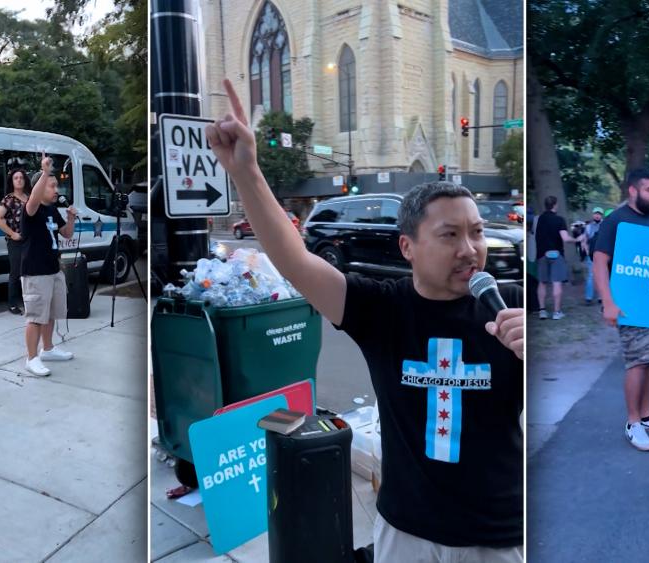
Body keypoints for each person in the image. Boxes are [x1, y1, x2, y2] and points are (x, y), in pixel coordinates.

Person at [206, 79, 524, 562]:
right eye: (450, 234)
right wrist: (247, 173)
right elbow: (296, 262)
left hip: (496, 536)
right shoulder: (383, 309)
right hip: (406, 531)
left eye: (477, 233)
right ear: (407, 247)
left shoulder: (510, 307)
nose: (470, 249)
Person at [591, 169, 649, 452]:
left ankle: (648, 415)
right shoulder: (615, 220)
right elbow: (599, 262)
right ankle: (633, 423)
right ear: (633, 190)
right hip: (629, 305)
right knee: (637, 361)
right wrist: (607, 301)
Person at [21, 156, 77, 377]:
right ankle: (31, 358)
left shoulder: (52, 211)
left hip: (53, 268)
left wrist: (70, 218)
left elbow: (66, 234)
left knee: (51, 313)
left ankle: (48, 349)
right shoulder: (31, 209)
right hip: (35, 271)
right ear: (40, 186)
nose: (56, 189)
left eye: (56, 185)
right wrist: (45, 173)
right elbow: (33, 199)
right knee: (35, 316)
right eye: (51, 185)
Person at [534, 195, 583, 320]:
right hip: (556, 254)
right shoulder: (559, 220)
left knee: (542, 283)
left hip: (541, 254)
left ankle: (542, 311)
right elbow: (565, 238)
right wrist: (577, 239)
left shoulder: (539, 219)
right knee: (557, 283)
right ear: (555, 205)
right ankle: (557, 312)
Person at [0, 169, 30, 315]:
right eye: (16, 178)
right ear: (12, 181)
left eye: (21, 177)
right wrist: (13, 234)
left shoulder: (29, 198)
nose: (19, 180)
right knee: (16, 272)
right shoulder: (9, 199)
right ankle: (12, 303)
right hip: (16, 242)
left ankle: (29, 300)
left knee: (28, 272)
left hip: (30, 241)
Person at [581, 207, 604, 305]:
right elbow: (584, 240)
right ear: (593, 214)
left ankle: (601, 297)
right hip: (591, 255)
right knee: (591, 276)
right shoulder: (588, 227)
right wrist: (586, 250)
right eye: (596, 213)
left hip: (603, 255)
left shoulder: (606, 226)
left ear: (601, 215)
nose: (597, 215)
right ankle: (588, 297)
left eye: (599, 214)